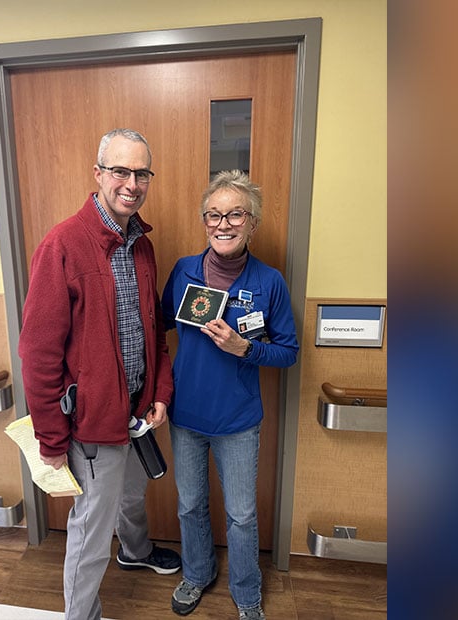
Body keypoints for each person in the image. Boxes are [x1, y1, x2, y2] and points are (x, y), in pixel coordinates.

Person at [19, 128, 181, 620]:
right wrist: (51, 439)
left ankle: (134, 551)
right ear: (99, 174)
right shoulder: (63, 245)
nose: (131, 183)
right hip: (90, 423)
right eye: (120, 171)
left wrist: (159, 390)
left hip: (135, 413)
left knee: (132, 496)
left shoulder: (142, 245)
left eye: (141, 173)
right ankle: (81, 615)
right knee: (91, 531)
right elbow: (38, 353)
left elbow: (153, 330)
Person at [161, 171, 300, 620]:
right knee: (189, 504)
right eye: (214, 214)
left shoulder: (268, 282)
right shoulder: (183, 270)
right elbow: (157, 329)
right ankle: (197, 574)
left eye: (235, 213)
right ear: (205, 221)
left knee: (241, 516)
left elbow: (288, 353)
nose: (223, 224)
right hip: (186, 415)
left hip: (238, 420)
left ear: (252, 223)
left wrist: (245, 348)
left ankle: (247, 594)